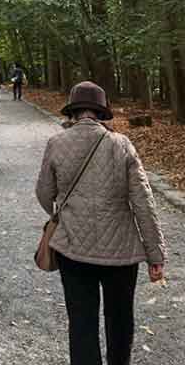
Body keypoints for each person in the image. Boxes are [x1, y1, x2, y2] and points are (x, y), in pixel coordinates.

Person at [36, 81, 166, 365]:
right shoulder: (122, 145)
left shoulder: (57, 143)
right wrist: (155, 255)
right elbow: (143, 202)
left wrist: (64, 212)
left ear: (73, 112)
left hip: (73, 250)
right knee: (120, 319)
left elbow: (44, 194)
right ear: (101, 112)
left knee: (81, 322)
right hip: (121, 253)